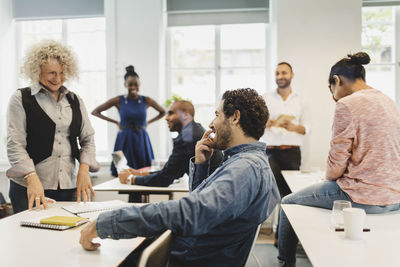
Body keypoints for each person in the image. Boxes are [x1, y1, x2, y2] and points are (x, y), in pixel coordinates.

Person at [79, 88, 280, 267]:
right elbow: (203, 208)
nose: (211, 123)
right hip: (197, 251)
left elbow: (192, 212)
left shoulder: (244, 169)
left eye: (217, 114)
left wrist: (107, 223)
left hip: (188, 257)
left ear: (235, 117)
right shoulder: (247, 162)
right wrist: (201, 165)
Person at [277, 52, 400, 267]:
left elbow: (335, 168)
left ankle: (285, 263)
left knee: (288, 203)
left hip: (362, 197)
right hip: (394, 197)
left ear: (336, 81)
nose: (333, 95)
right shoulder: (389, 101)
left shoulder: (347, 104)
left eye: (331, 88)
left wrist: (331, 176)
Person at [6, 40, 99, 213]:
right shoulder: (21, 98)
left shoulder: (75, 100)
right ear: (37, 71)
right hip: (30, 186)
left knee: (68, 237)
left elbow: (88, 139)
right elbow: (15, 143)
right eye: (51, 73)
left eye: (62, 73)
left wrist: (84, 171)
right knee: (31, 238)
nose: (58, 79)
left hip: (68, 185)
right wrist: (31, 178)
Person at [118, 100, 223, 189]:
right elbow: (172, 171)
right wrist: (138, 173)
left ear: (186, 115)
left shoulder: (187, 138)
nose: (166, 117)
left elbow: (164, 178)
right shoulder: (192, 131)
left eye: (171, 113)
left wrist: (130, 179)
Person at [92, 66, 165, 177]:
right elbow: (95, 111)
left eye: (136, 84)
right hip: (124, 140)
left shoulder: (146, 100)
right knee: (123, 172)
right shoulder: (119, 100)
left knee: (144, 173)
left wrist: (148, 122)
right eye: (130, 84)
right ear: (125, 85)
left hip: (141, 140)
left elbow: (163, 112)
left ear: (139, 84)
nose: (133, 87)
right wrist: (116, 122)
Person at [261, 62, 310, 197]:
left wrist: (294, 127)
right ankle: (272, 218)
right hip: (270, 152)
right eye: (277, 73)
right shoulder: (265, 98)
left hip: (292, 153)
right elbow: (256, 125)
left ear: (291, 75)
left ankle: (286, 218)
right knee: (271, 191)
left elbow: (307, 127)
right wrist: (265, 123)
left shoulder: (301, 100)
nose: (280, 76)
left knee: (290, 193)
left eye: (284, 73)